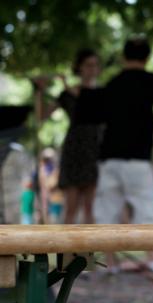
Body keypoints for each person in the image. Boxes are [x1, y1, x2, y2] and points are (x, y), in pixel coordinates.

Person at [94, 37, 153, 273]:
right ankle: (151, 259)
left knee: (107, 211)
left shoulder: (113, 83)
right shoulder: (150, 81)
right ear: (147, 58)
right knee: (147, 209)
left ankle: (109, 263)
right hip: (137, 158)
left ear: (124, 57)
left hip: (109, 157)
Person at [34, 49, 103, 224]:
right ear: (79, 67)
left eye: (95, 65)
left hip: (95, 149)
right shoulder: (68, 94)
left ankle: (88, 252)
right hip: (75, 149)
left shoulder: (102, 94)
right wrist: (40, 91)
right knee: (71, 207)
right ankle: (67, 252)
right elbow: (41, 115)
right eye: (88, 65)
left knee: (91, 207)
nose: (92, 69)